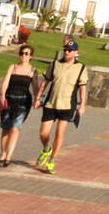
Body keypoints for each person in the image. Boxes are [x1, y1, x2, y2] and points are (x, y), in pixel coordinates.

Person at [33, 40, 88, 175]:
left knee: (59, 133)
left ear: (76, 53)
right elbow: (45, 82)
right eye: (65, 49)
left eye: (69, 50)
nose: (66, 52)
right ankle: (46, 149)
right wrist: (37, 98)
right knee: (43, 133)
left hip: (67, 105)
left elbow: (82, 88)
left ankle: (52, 160)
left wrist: (82, 105)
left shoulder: (81, 67)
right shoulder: (55, 64)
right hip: (51, 103)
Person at [0, 45, 40, 166]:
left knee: (15, 127)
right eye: (22, 53)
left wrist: (37, 99)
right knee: (6, 127)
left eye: (26, 54)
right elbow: (5, 82)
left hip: (23, 102)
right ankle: (3, 153)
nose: (23, 56)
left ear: (30, 56)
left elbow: (35, 87)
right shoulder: (13, 67)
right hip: (8, 100)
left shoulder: (33, 70)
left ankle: (8, 157)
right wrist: (2, 96)